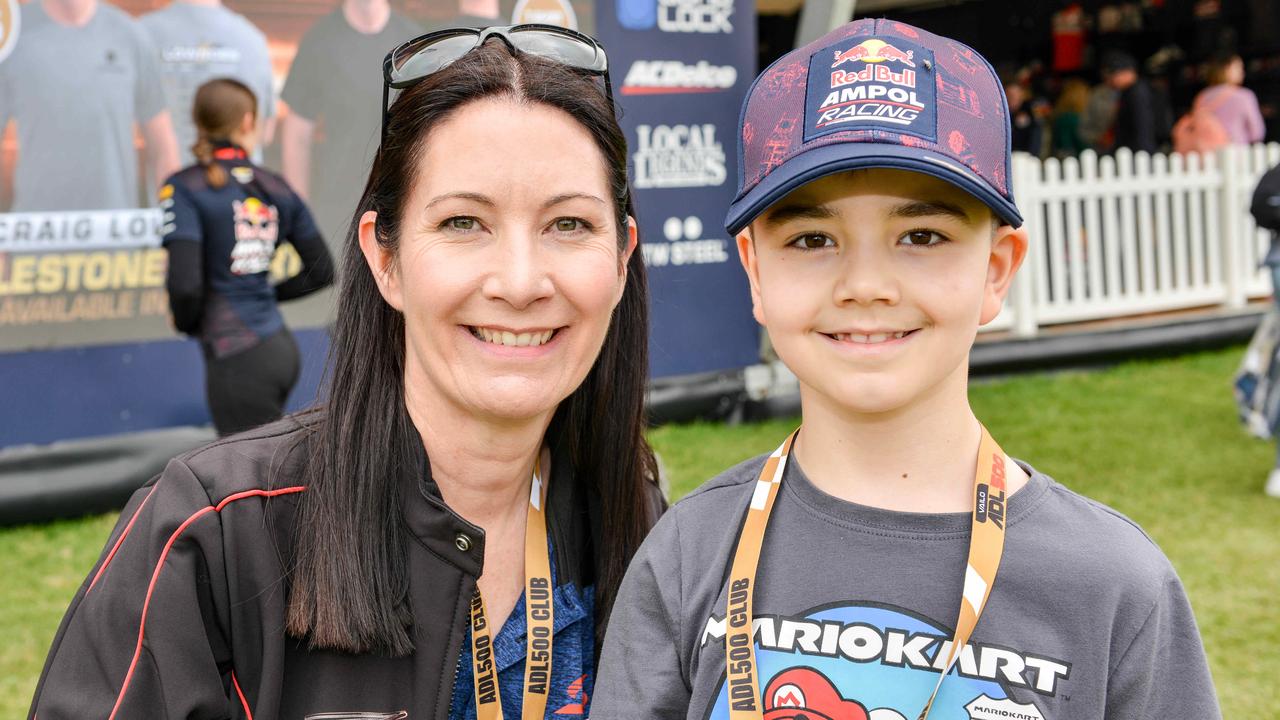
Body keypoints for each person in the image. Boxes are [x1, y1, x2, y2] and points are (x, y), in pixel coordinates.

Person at [592, 18, 1221, 720]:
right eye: (811, 238)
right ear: (756, 272)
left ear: (995, 269)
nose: (866, 284)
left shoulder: (1114, 589)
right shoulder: (687, 555)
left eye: (922, 236)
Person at [29, 25, 664, 719]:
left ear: (622, 257)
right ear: (385, 259)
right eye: (462, 223)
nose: (519, 281)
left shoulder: (638, 514)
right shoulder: (212, 535)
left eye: (568, 224)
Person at [158, 78, 333, 437]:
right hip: (278, 348)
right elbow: (322, 271)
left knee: (250, 482)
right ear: (249, 121)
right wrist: (263, 292)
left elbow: (185, 285)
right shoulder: (276, 185)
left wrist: (187, 321)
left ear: (199, 122)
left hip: (237, 356)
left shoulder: (185, 186)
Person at [0, 0, 179, 211]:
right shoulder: (12, 36)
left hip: (115, 231)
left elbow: (163, 149)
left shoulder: (130, 35)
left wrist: (175, 227)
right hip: (37, 230)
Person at [280, 0, 420, 256]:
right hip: (336, 209)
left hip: (396, 204)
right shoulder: (319, 41)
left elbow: (425, 130)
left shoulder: (410, 43)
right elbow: (297, 136)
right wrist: (300, 217)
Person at [140, 0, 277, 167]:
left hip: (170, 189)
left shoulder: (140, 33)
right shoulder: (253, 40)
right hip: (241, 189)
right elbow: (266, 133)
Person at [1192, 52, 1266, 146]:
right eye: (1238, 67)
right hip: (1236, 152)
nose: (1242, 72)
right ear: (1226, 69)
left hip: (1207, 153)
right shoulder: (1244, 95)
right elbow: (1257, 133)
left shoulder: (1202, 96)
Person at [1103, 50, 1161, 153]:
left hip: (1138, 151)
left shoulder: (1137, 92)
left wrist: (1143, 151)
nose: (1110, 81)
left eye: (1113, 75)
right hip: (1132, 151)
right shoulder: (1129, 91)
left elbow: (1142, 125)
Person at [1051, 77, 1090, 157]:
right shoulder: (1075, 118)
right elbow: (1081, 142)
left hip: (1060, 155)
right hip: (1077, 157)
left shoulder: (1059, 116)